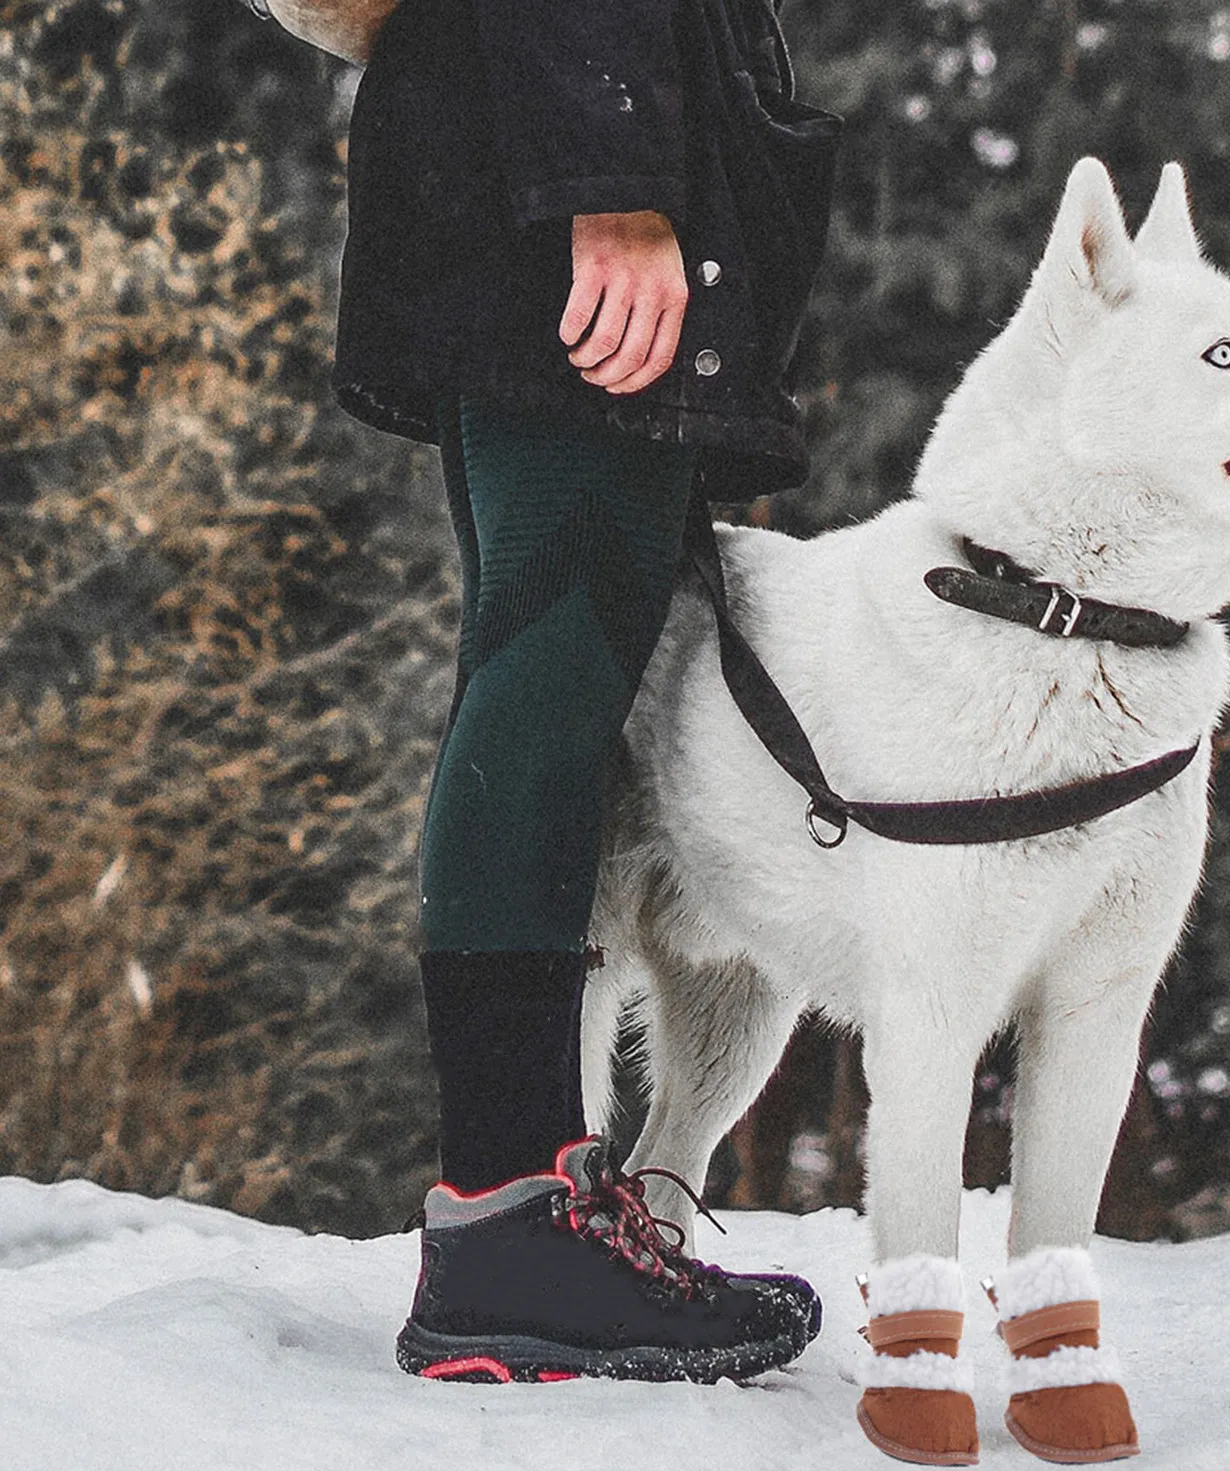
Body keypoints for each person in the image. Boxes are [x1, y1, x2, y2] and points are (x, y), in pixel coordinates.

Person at [278, 0, 839, 1380]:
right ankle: (511, 1228)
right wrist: (617, 191)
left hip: (511, 150)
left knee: (541, 665)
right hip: (557, 170)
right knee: (553, 669)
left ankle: (514, 1214)